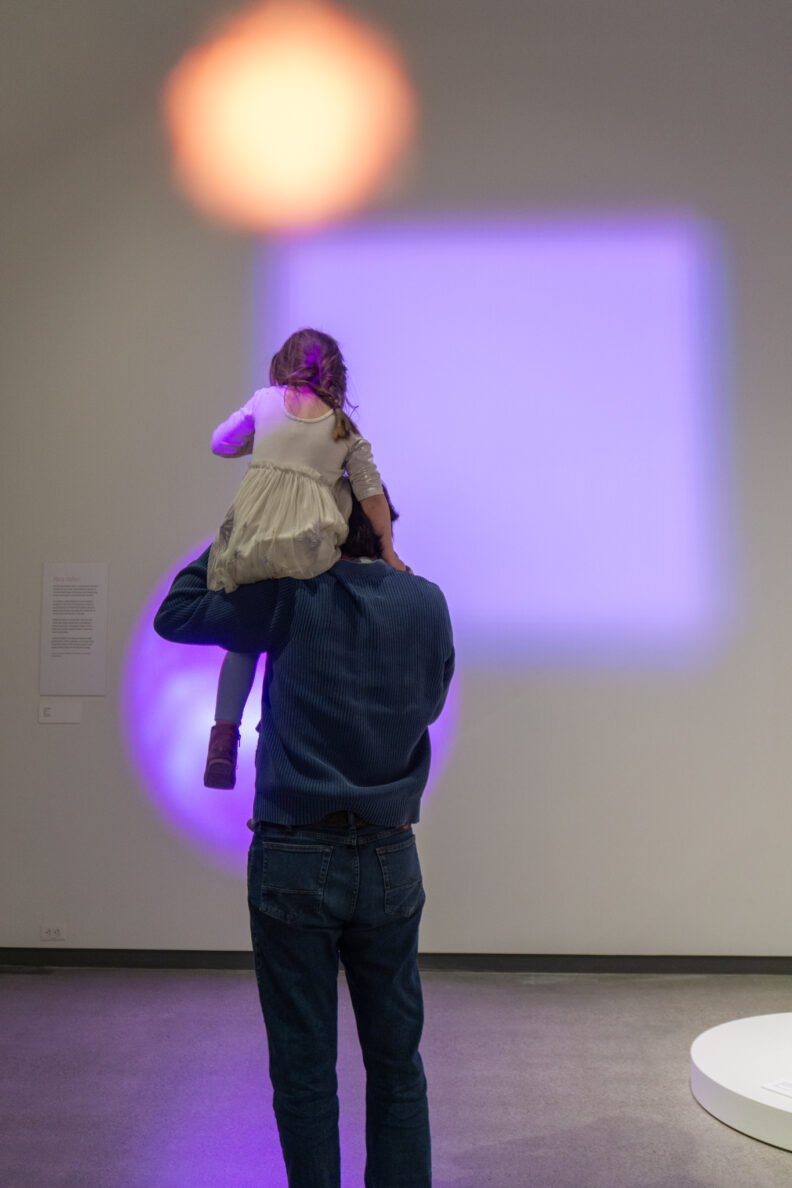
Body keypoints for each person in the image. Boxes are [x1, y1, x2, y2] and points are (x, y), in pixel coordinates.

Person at [154, 489, 454, 1188]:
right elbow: (432, 701)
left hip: (294, 855)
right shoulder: (427, 601)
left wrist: (241, 524)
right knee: (397, 1066)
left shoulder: (288, 596)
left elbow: (178, 613)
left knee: (304, 1071)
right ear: (377, 524)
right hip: (389, 853)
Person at [203, 327, 405, 790]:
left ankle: (223, 739)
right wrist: (388, 553)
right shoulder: (342, 427)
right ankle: (295, 746)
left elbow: (220, 442)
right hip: (307, 549)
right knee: (300, 641)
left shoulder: (265, 401)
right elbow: (371, 495)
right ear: (336, 374)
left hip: (254, 542)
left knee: (243, 642)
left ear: (283, 362)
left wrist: (263, 444)